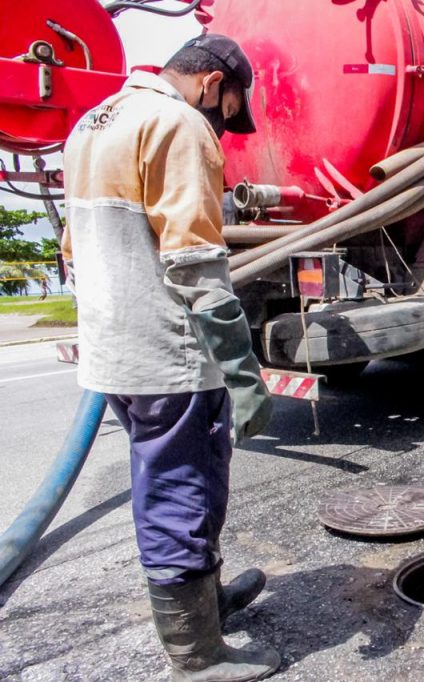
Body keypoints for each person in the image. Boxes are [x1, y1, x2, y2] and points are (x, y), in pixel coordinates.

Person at [61, 34, 279, 681]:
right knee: (180, 491)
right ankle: (196, 654)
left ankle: (207, 603)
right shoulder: (177, 124)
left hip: (116, 354)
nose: (223, 128)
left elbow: (73, 249)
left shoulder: (90, 126)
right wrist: (245, 377)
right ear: (212, 83)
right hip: (170, 356)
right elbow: (195, 263)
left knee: (184, 479)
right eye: (228, 111)